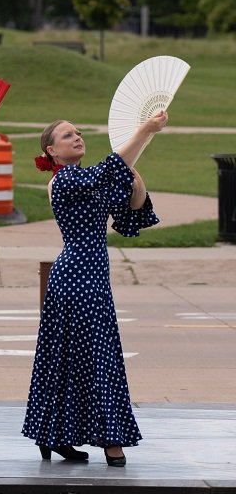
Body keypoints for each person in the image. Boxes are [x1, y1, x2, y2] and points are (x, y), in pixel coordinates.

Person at [22, 112, 167, 466]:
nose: (77, 137)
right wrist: (143, 131)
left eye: (78, 133)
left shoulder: (90, 181)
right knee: (94, 356)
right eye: (68, 135)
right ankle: (110, 441)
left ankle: (52, 434)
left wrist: (136, 176)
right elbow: (109, 169)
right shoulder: (66, 179)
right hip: (75, 278)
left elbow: (132, 210)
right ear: (52, 150)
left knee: (75, 357)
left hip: (93, 278)